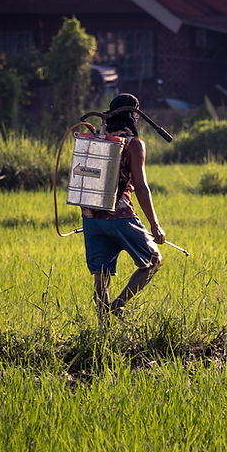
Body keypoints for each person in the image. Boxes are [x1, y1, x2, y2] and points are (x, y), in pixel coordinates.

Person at [81, 93, 165, 325]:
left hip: (90, 218)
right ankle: (118, 306)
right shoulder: (134, 144)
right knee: (153, 260)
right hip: (120, 217)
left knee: (101, 274)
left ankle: (102, 329)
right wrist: (155, 225)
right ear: (134, 117)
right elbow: (141, 186)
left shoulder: (95, 140)